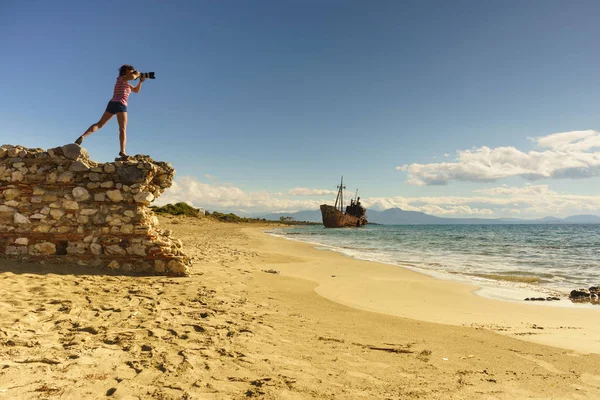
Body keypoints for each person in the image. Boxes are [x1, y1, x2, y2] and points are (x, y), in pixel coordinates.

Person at [75, 64, 145, 159]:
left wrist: (140, 81)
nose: (133, 72)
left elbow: (136, 90)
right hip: (121, 105)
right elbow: (132, 77)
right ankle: (122, 151)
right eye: (131, 70)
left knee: (100, 124)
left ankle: (82, 137)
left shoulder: (126, 83)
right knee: (122, 129)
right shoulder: (121, 78)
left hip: (112, 104)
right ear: (125, 72)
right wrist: (137, 74)